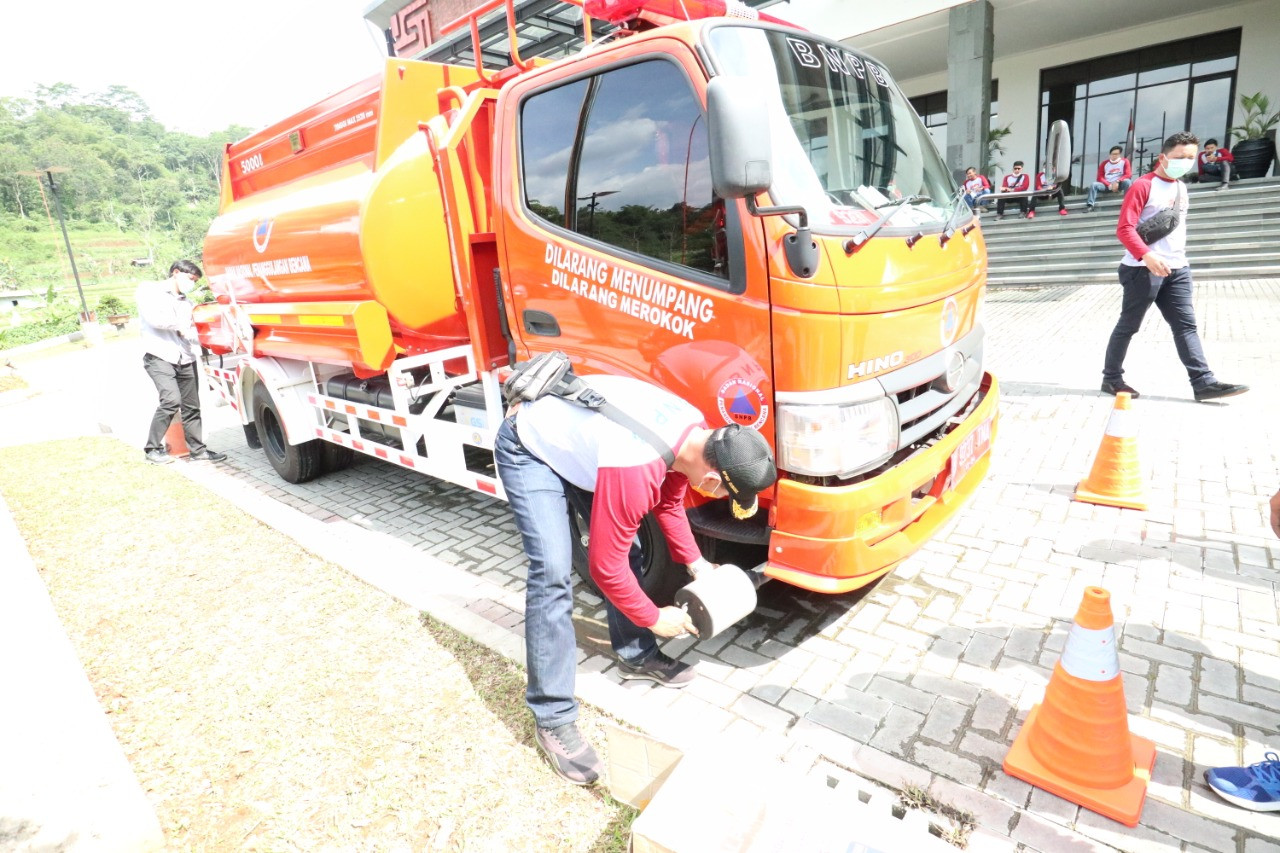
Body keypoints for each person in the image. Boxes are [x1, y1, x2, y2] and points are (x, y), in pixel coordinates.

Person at [494, 373, 776, 785]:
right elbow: (604, 567)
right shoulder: (635, 465)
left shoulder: (694, 435)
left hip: (587, 451)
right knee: (552, 576)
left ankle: (635, 656)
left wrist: (696, 563)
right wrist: (652, 617)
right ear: (714, 479)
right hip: (531, 450)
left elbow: (668, 502)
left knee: (633, 550)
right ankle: (552, 716)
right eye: (724, 494)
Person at [1100, 131, 1248, 403]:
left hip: (1177, 269)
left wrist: (1176, 260)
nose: (1185, 162)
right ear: (1162, 157)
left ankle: (1203, 382)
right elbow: (1124, 228)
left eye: (1190, 158)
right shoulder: (1142, 186)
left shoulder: (1182, 187)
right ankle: (1111, 378)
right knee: (1129, 325)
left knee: (1186, 326)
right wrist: (1147, 256)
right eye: (1180, 157)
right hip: (1141, 269)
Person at [137, 260, 226, 464]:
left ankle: (198, 451)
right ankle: (152, 449)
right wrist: (181, 326)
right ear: (176, 272)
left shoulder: (188, 303)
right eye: (190, 278)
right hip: (159, 356)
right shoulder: (149, 291)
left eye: (195, 281)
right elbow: (155, 319)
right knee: (170, 401)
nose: (191, 283)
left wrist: (212, 340)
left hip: (185, 358)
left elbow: (191, 333)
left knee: (192, 407)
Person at [1085, 146, 1133, 211]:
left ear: (1120, 155)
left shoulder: (1125, 161)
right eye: (1112, 154)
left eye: (1116, 154)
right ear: (1110, 155)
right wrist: (1109, 185)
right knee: (1094, 184)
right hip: (1107, 185)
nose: (1114, 156)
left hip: (1119, 184)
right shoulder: (1104, 163)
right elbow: (1099, 177)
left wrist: (1117, 181)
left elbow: (1128, 174)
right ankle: (1090, 205)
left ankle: (1127, 203)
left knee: (1128, 182)